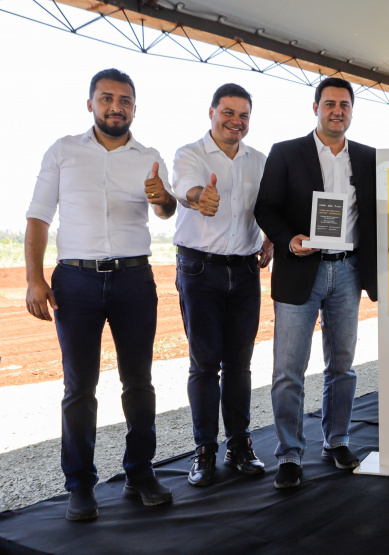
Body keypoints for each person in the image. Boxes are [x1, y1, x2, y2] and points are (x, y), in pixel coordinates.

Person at [24, 68, 177, 521]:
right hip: (76, 282)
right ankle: (79, 485)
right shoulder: (63, 151)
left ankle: (140, 471)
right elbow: (37, 217)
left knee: (139, 382)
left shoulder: (148, 156)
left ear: (134, 107)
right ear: (90, 103)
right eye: (107, 98)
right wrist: (35, 279)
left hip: (133, 279)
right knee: (79, 387)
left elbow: (166, 209)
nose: (116, 107)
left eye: (125, 100)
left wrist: (160, 198)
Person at [254, 77, 389, 489]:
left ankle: (336, 440)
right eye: (329, 104)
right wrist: (289, 240)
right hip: (300, 271)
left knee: (341, 367)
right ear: (315, 108)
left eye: (345, 105)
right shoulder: (286, 152)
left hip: (347, 271)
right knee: (289, 370)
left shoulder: (367, 158)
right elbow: (266, 207)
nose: (337, 111)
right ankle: (290, 453)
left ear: (351, 111)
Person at [171, 83, 273, 487]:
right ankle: (204, 450)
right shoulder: (190, 154)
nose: (236, 122)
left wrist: (270, 238)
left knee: (240, 365)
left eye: (244, 115)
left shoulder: (259, 160)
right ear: (211, 112)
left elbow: (269, 206)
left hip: (246, 272)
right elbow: (186, 188)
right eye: (228, 113)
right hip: (200, 271)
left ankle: (239, 444)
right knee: (204, 364)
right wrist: (201, 198)